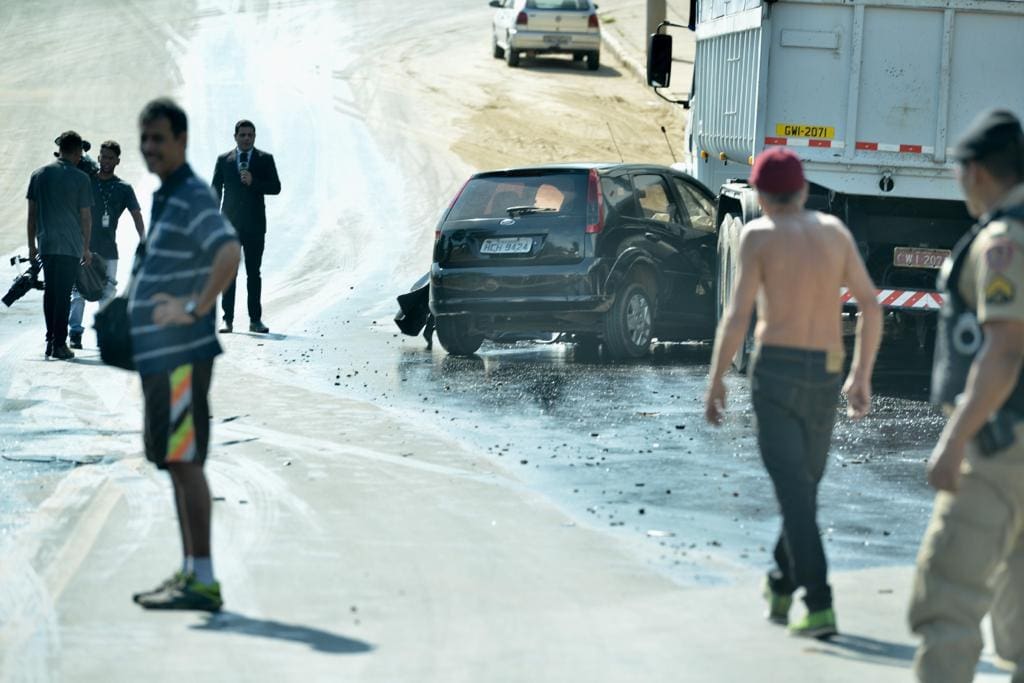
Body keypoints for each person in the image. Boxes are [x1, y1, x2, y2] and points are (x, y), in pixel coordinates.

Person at [704, 147, 882, 638]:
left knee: (797, 493)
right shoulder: (835, 233)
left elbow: (738, 314)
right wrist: (861, 374)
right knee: (802, 489)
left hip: (776, 374)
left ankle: (819, 603)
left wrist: (717, 377)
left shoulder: (758, 235)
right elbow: (870, 305)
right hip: (826, 374)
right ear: (804, 191)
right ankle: (782, 585)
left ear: (759, 195)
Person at [909, 109, 1024, 683]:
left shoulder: (1003, 241)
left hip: (1001, 441)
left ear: (976, 171)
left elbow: (1003, 351)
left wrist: (954, 444)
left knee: (947, 599)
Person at [129, 98, 241, 611]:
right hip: (163, 356)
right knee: (176, 460)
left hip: (181, 354)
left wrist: (195, 307)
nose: (150, 147)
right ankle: (192, 570)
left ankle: (204, 579)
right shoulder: (169, 195)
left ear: (182, 141)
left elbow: (229, 250)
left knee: (185, 460)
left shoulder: (192, 194)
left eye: (159, 138)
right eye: (145, 138)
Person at [68, 140, 145, 349]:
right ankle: (75, 332)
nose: (106, 161)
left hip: (109, 249)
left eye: (111, 157)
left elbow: (137, 215)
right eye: (103, 157)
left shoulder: (124, 188)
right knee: (78, 292)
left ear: (117, 161)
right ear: (99, 158)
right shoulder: (86, 180)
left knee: (108, 291)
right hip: (84, 246)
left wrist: (144, 239)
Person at [26, 131, 94, 360]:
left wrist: (31, 246)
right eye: (80, 154)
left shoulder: (39, 174)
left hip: (46, 243)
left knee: (51, 293)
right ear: (76, 152)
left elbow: (32, 215)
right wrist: (86, 247)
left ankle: (50, 340)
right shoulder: (81, 178)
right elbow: (86, 217)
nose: (80, 158)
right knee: (63, 294)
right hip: (70, 245)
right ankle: (59, 345)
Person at [211, 119, 280, 334]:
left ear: (255, 137)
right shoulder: (224, 160)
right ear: (235, 137)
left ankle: (255, 320)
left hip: (255, 226)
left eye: (250, 135)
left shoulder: (265, 159)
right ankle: (227, 319)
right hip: (229, 226)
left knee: (254, 273)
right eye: (242, 135)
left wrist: (254, 182)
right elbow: (215, 191)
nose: (246, 138)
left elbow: (276, 187)